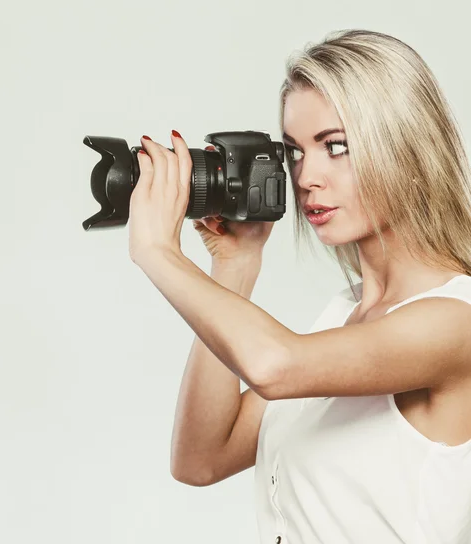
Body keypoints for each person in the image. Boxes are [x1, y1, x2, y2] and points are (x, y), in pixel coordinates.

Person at [126, 29, 471, 543]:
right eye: (294, 151)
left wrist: (158, 251)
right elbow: (201, 458)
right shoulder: (344, 314)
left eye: (337, 147)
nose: (307, 175)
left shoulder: (454, 320)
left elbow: (272, 365)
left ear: (406, 148)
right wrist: (234, 269)